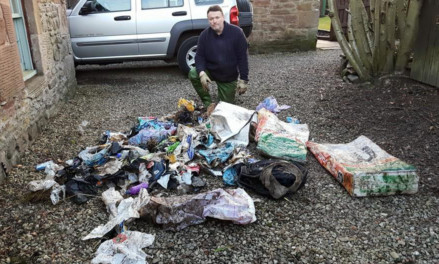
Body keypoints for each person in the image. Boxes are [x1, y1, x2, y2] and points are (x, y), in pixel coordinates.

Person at [188, 5, 249, 107]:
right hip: (211, 71)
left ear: (223, 18)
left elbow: (242, 58)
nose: (214, 21)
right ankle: (207, 102)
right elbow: (199, 56)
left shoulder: (237, 33)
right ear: (208, 20)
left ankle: (224, 96)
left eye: (217, 18)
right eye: (211, 19)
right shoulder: (204, 35)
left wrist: (244, 79)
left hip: (228, 76)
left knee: (224, 108)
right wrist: (202, 73)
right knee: (193, 73)